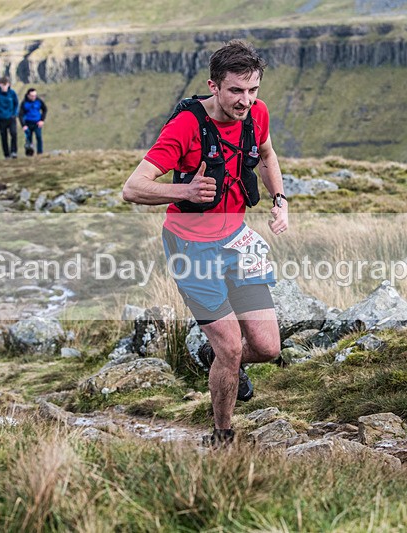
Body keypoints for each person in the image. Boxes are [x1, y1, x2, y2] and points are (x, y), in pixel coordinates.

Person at [122, 40, 288, 447]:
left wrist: (280, 200)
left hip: (237, 242)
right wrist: (184, 192)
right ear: (213, 87)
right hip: (191, 248)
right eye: (236, 91)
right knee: (231, 347)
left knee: (266, 347)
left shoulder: (256, 114)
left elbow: (266, 154)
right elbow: (132, 188)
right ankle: (222, 435)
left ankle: (214, 358)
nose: (245, 101)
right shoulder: (186, 127)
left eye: (253, 91)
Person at [0, 77, 19, 158]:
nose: (4, 87)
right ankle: (6, 154)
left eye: (5, 85)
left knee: (14, 133)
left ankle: (14, 152)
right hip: (1, 118)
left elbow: (16, 104)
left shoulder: (12, 93)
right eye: (2, 85)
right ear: (0, 85)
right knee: (3, 136)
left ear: (8, 85)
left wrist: (15, 113)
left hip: (11, 118)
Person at [19, 88, 48, 156]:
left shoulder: (39, 101)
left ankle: (40, 153)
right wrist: (23, 125)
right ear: (28, 95)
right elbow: (20, 115)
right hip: (28, 123)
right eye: (32, 96)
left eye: (35, 95)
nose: (33, 97)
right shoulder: (24, 103)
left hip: (37, 123)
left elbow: (45, 109)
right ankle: (29, 155)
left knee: (39, 137)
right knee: (28, 139)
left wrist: (42, 120)